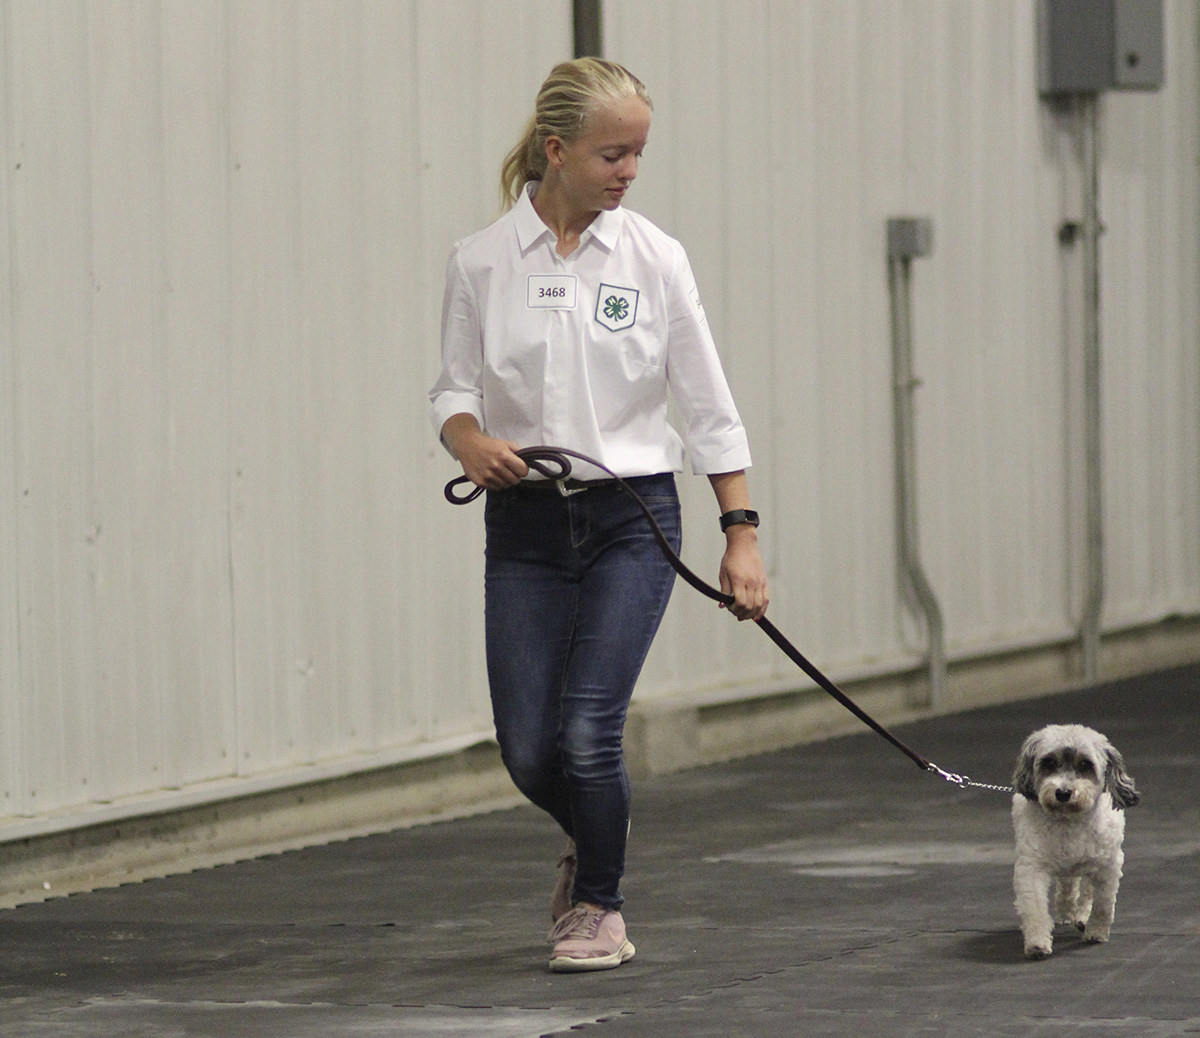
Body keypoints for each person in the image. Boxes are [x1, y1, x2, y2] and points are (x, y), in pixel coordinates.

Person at [429, 57, 768, 972]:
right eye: (612, 153)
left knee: (588, 730)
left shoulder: (655, 259)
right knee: (530, 749)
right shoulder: (481, 262)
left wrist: (743, 534)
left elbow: (708, 407)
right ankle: (594, 836)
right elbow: (454, 391)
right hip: (526, 528)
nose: (628, 171)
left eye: (638, 154)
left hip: (632, 519)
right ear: (556, 151)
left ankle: (598, 906)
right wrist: (466, 441)